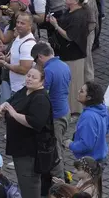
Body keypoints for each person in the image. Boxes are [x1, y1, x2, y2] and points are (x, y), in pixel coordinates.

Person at [1, 66, 52, 198]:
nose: (29, 79)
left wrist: (13, 113)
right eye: (28, 75)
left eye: (33, 77)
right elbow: (10, 102)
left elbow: (35, 122)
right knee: (23, 183)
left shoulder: (40, 99)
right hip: (19, 147)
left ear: (42, 81)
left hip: (29, 151)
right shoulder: (25, 90)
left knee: (29, 185)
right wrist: (3, 107)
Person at [47, 0, 91, 115]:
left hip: (73, 55)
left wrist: (56, 25)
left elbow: (69, 36)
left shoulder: (79, 16)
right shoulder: (70, 11)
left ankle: (73, 110)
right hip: (65, 53)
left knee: (73, 85)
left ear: (76, 0)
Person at [31, 41, 70, 178]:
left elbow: (43, 92)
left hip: (55, 115)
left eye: (36, 60)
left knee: (55, 149)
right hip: (65, 111)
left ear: (40, 57)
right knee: (59, 144)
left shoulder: (48, 71)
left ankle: (59, 181)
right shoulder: (64, 65)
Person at [67, 81, 109, 161]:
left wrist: (70, 145)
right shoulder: (103, 108)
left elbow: (86, 144)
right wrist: (99, 135)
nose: (78, 92)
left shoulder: (88, 117)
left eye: (81, 91)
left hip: (90, 160)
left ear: (89, 97)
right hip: (100, 156)